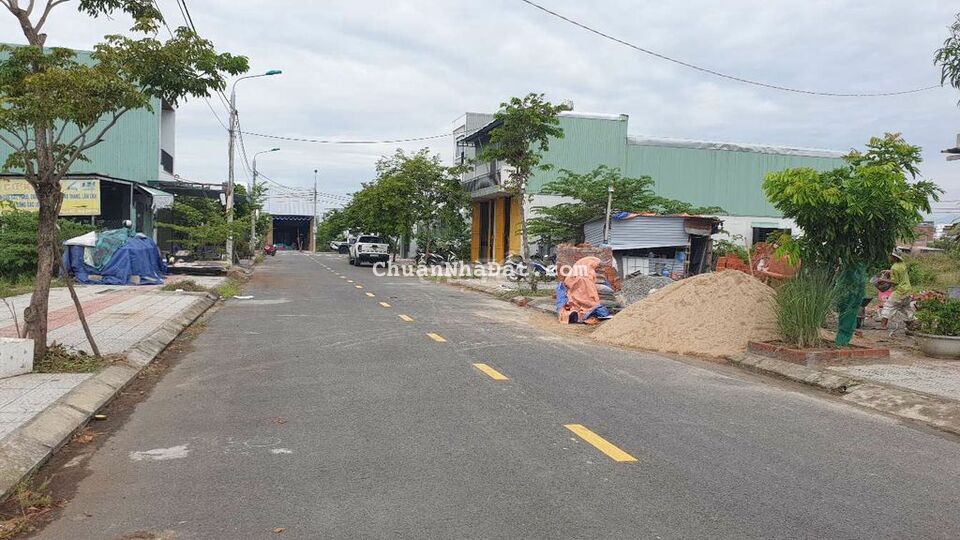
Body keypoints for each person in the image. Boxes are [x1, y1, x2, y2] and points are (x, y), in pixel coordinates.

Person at [879, 252, 913, 330]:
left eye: (891, 256)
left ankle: (883, 325)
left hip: (900, 291)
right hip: (908, 290)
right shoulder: (902, 264)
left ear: (894, 257)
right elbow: (900, 272)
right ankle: (912, 322)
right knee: (905, 307)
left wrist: (883, 280)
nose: (889, 258)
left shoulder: (894, 267)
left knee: (888, 306)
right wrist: (889, 271)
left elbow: (895, 282)